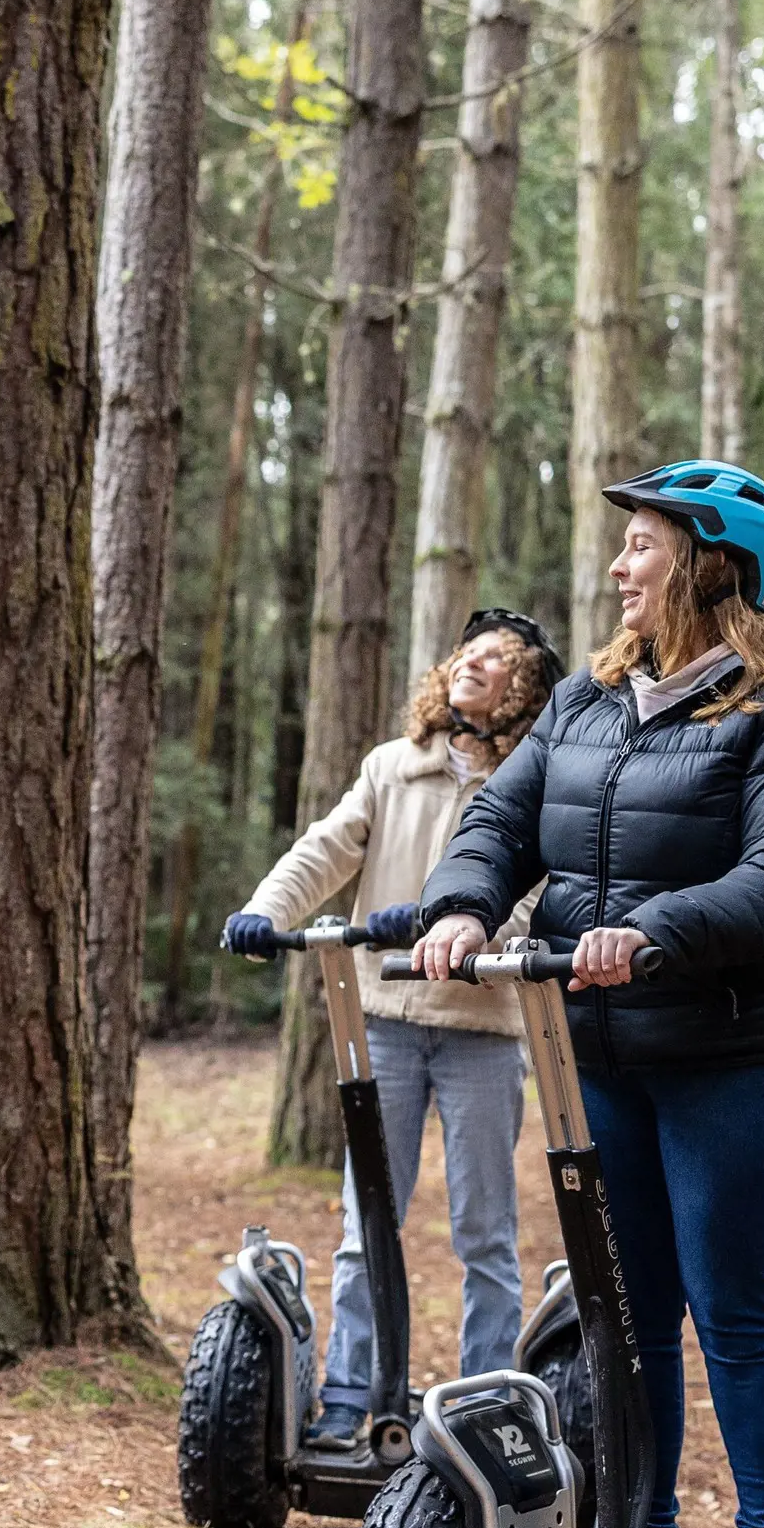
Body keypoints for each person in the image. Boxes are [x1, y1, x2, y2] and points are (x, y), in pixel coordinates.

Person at [413, 460, 764, 1528]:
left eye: (645, 545)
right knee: (623, 1319)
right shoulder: (587, 704)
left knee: (735, 1315)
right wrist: (461, 902)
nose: (619, 566)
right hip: (597, 1051)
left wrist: (655, 931)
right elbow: (502, 819)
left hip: (739, 1057)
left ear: (713, 567)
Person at [220, 609, 563, 1448]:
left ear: (523, 690)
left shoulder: (532, 782)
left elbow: (530, 895)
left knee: (484, 1228)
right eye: (466, 654)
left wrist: (468, 925)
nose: (471, 665)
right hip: (384, 1020)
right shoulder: (392, 767)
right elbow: (324, 850)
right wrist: (266, 911)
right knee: (365, 1216)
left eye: (494, 660)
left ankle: (486, 1399)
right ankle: (351, 1389)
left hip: (481, 1025)